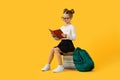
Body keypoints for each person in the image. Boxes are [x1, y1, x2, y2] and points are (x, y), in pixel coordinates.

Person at [41, 8, 76, 73]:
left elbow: (74, 37)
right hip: (62, 43)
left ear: (70, 18)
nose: (65, 20)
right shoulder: (62, 27)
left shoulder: (72, 26)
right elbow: (59, 38)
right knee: (52, 49)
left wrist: (67, 36)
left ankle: (60, 66)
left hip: (68, 44)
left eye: (67, 18)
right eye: (63, 18)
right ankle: (48, 65)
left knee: (56, 49)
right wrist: (54, 36)